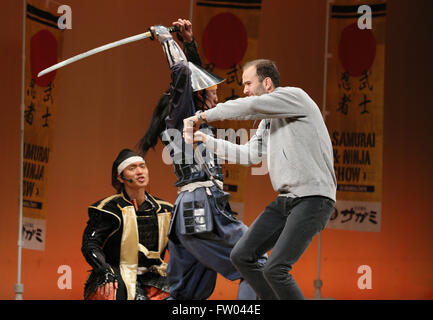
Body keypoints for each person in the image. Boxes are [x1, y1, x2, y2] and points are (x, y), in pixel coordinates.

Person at [184, 59, 337, 300]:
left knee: (276, 269)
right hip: (286, 200)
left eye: (247, 83)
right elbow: (249, 155)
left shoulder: (295, 97)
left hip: (313, 198)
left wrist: (202, 116)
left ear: (267, 83)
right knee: (241, 255)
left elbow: (250, 106)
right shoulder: (268, 120)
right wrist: (207, 141)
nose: (244, 90)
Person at [137, 19, 265, 300]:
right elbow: (183, 72)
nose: (217, 96)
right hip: (202, 207)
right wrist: (167, 41)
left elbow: (193, 77)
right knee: (254, 265)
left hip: (189, 214)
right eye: (212, 91)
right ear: (198, 97)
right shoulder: (183, 118)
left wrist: (189, 42)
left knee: (185, 295)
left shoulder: (194, 119)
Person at [81, 149, 173, 300]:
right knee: (107, 292)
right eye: (132, 168)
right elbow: (90, 244)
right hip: (116, 275)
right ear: (120, 177)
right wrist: (104, 271)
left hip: (154, 276)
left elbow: (180, 248)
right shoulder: (108, 209)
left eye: (142, 166)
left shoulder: (165, 210)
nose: (139, 171)